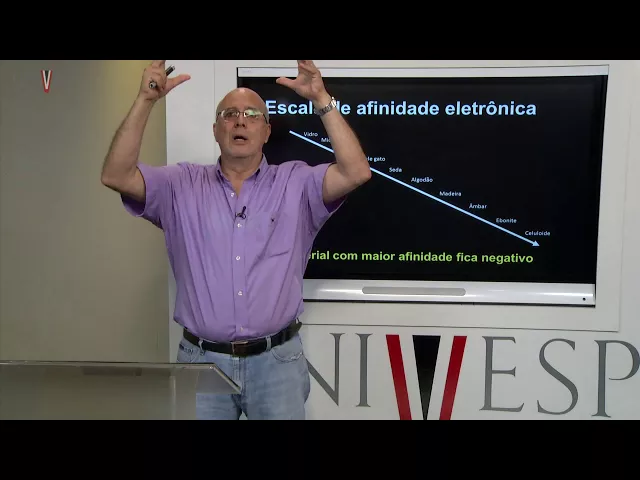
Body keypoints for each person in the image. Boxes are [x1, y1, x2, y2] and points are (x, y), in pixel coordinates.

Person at [101, 60, 371, 420]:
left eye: (252, 115)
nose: (240, 121)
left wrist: (322, 99)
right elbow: (116, 175)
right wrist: (144, 101)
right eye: (229, 114)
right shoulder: (179, 185)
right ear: (216, 130)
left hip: (276, 364)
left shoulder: (296, 183)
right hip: (201, 364)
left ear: (267, 131)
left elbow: (356, 172)